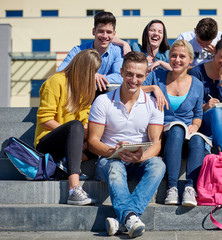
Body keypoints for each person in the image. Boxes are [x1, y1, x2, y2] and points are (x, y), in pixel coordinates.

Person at [87, 51, 165, 238]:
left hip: (139, 159)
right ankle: (131, 217)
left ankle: (125, 219)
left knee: (158, 165)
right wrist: (114, 150)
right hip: (109, 159)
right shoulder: (103, 101)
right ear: (121, 72)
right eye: (129, 74)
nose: (134, 79)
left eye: (139, 76)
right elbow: (92, 142)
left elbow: (156, 144)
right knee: (114, 166)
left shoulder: (153, 104)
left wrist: (141, 156)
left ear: (146, 77)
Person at [34, 49, 101, 205]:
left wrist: (86, 134)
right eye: (92, 71)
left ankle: (64, 162)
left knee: (100, 139)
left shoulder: (86, 88)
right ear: (81, 68)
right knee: (75, 127)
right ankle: (74, 189)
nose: (93, 76)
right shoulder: (55, 81)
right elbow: (45, 119)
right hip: (47, 141)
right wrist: (75, 132)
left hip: (71, 141)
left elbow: (85, 118)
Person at [143, 39, 204, 207]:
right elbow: (134, 89)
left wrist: (196, 126)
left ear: (190, 60)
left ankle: (190, 187)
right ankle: (172, 187)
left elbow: (198, 114)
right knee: (176, 130)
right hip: (163, 131)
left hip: (186, 133)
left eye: (182, 56)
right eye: (174, 56)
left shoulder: (197, 84)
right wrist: (154, 88)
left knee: (198, 139)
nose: (177, 60)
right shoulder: (157, 76)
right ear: (168, 58)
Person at [57, 11, 128, 92]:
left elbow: (120, 76)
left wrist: (98, 78)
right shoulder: (78, 50)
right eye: (101, 31)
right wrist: (89, 75)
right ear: (94, 31)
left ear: (114, 34)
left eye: (109, 32)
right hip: (79, 96)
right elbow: (60, 72)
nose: (105, 36)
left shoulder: (118, 51)